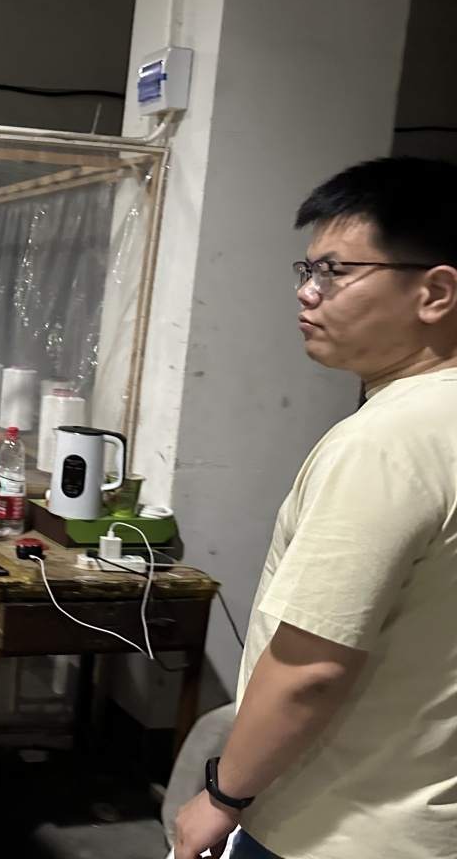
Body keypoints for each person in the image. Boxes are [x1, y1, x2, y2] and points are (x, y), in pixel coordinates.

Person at [174, 156, 457, 859]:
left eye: (334, 271)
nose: (307, 292)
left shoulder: (386, 442)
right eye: (307, 270)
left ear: (435, 293)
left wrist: (222, 796)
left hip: (333, 831)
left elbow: (310, 668)